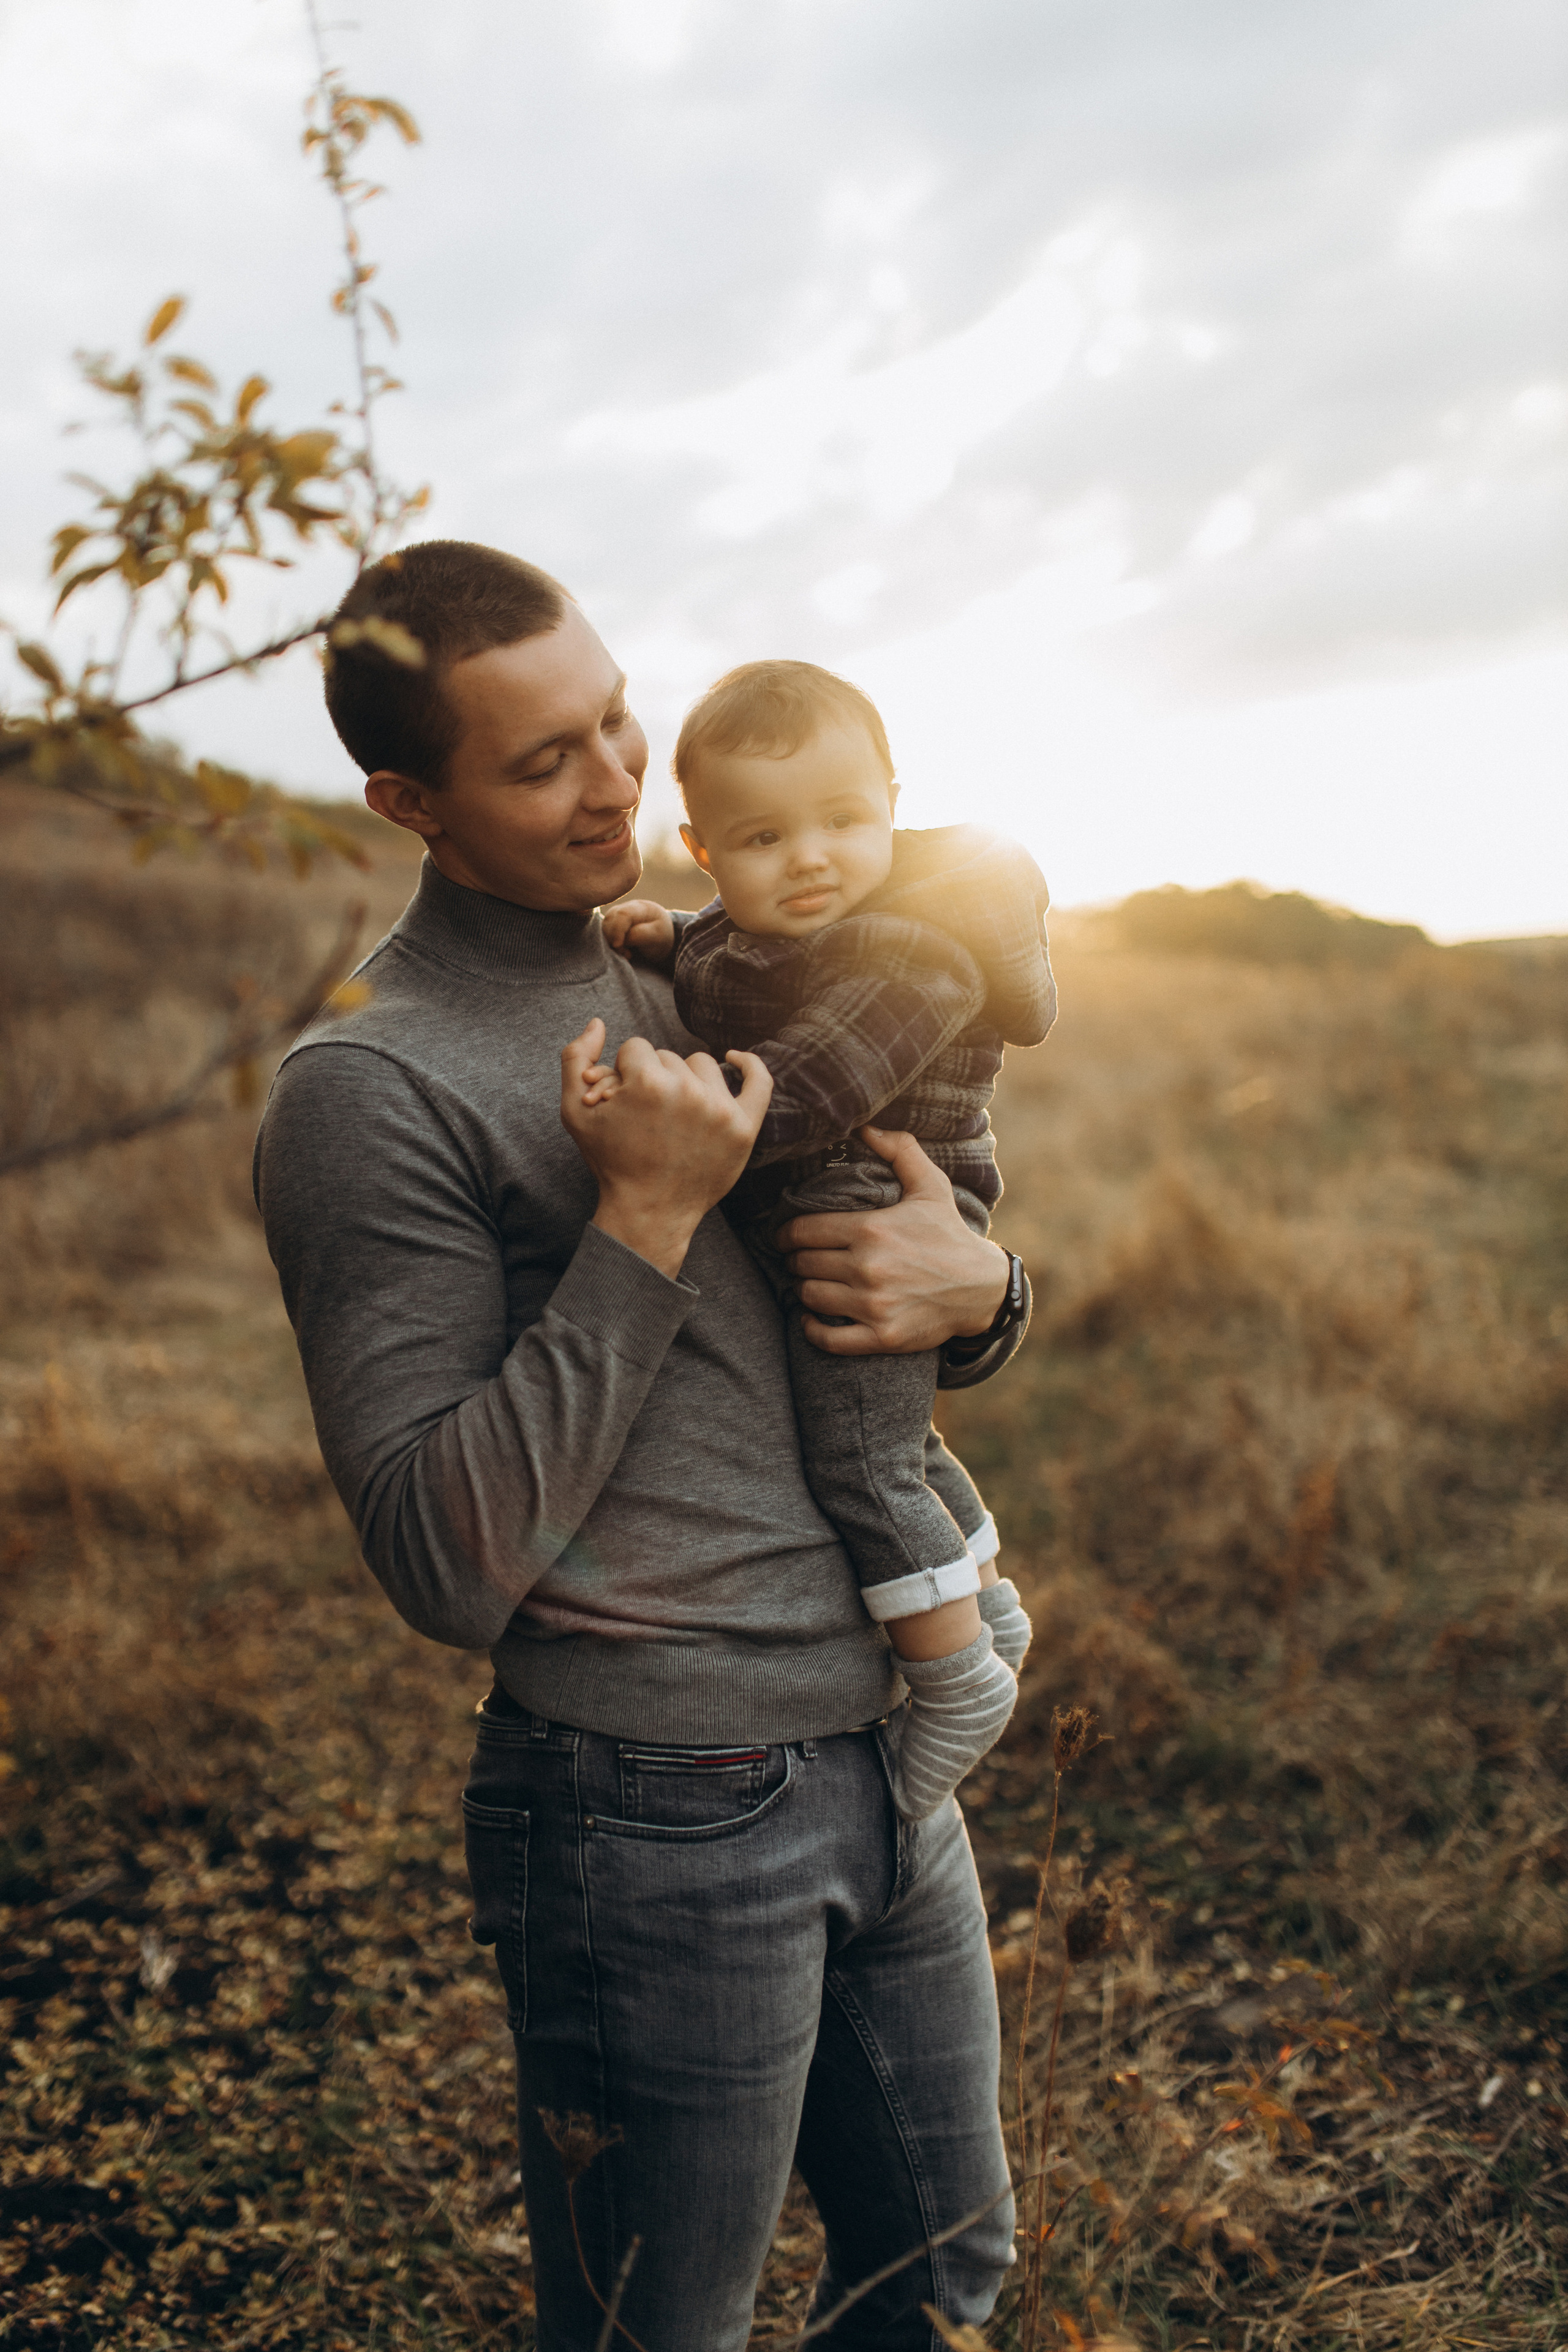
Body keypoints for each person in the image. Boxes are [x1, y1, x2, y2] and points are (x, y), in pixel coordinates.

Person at [252, 540, 1034, 2352]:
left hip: (889, 1748)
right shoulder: (371, 1086)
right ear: (408, 803)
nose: (615, 784)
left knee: (944, 2284)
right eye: (544, 762)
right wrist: (646, 1218)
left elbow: (876, 1302)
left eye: (616, 721)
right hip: (656, 1809)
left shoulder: (725, 968)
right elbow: (440, 1560)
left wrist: (986, 1291)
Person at [592, 659, 1054, 1823]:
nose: (810, 859)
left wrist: (672, 1104)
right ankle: (991, 1615)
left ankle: (956, 1686)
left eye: (844, 821)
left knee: (863, 1462)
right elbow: (749, 960)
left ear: (893, 804)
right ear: (702, 849)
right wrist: (674, 937)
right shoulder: (790, 918)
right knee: (901, 1440)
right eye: (764, 838)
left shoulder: (914, 951)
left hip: (873, 1211)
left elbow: (806, 1085)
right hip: (837, 1206)